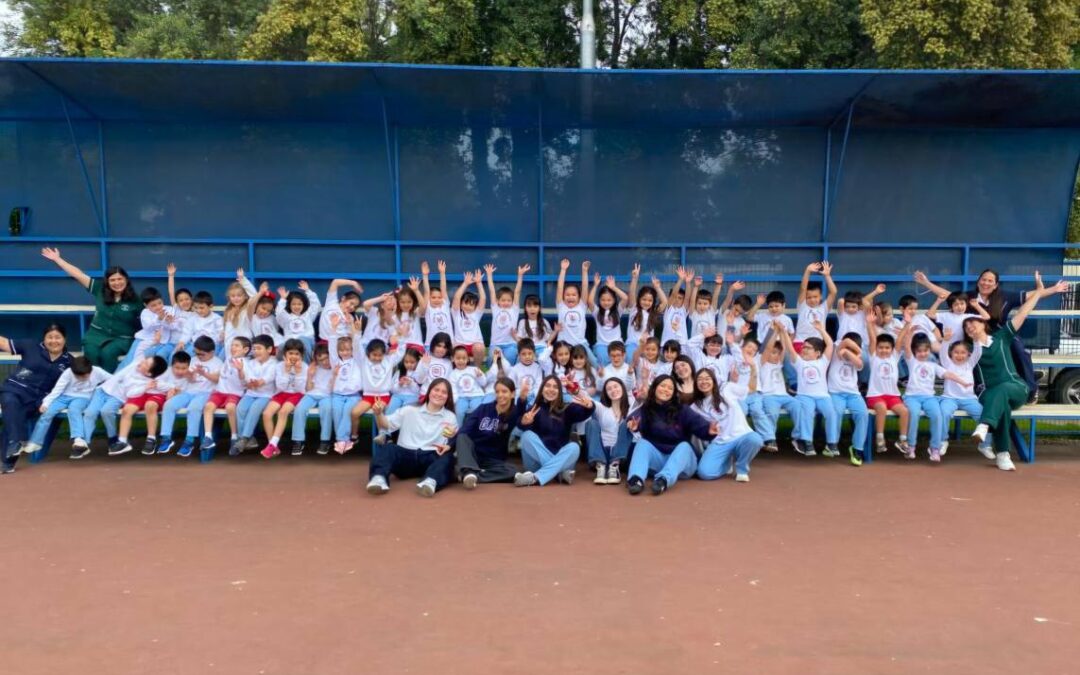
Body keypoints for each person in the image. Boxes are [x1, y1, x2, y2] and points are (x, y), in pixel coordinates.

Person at [964, 272, 1068, 471]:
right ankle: (1002, 455)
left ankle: (985, 426)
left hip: (1016, 389)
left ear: (983, 323)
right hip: (988, 394)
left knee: (1003, 390)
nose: (969, 327)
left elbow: (1023, 312)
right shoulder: (968, 351)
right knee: (1001, 405)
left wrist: (1039, 291)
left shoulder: (1002, 337)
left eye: (973, 323)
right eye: (966, 326)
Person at [917, 268, 1038, 401]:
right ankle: (976, 389)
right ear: (978, 281)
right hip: (975, 337)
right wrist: (926, 283)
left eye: (990, 281)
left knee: (1019, 349)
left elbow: (1032, 296)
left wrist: (1049, 289)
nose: (986, 283)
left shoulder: (1004, 296)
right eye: (983, 279)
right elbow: (948, 295)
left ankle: (1030, 389)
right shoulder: (969, 297)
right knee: (970, 355)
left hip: (999, 335)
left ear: (996, 285)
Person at [40, 247, 139, 371]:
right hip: (96, 335)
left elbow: (149, 317)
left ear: (126, 280)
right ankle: (91, 381)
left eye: (120, 279)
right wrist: (58, 259)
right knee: (91, 352)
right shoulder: (100, 289)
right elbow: (78, 274)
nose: (117, 283)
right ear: (107, 282)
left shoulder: (136, 300)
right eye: (112, 280)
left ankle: (108, 382)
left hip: (121, 339)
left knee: (108, 353)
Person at [366, 378, 459, 497]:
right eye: (436, 390)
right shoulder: (409, 410)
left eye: (444, 392)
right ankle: (378, 478)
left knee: (448, 458)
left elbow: (452, 440)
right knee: (388, 448)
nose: (439, 394)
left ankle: (431, 481)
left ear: (448, 397)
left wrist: (449, 444)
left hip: (430, 459)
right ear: (429, 391)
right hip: (405, 456)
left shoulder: (450, 417)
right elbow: (386, 425)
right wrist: (378, 414)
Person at [625, 375, 715, 495]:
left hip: (681, 464)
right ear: (655, 388)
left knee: (685, 446)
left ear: (673, 393)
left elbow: (699, 425)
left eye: (670, 388)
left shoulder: (682, 410)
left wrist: (709, 430)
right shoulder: (646, 408)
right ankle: (636, 480)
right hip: (658, 461)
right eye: (663, 386)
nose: (666, 390)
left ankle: (663, 481)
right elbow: (635, 418)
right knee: (642, 443)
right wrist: (634, 425)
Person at [1, 324, 73, 472]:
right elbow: (4, 343)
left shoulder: (69, 361)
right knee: (10, 402)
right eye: (50, 337)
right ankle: (12, 452)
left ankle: (12, 450)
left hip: (37, 400)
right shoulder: (31, 346)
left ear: (64, 339)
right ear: (44, 339)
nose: (54, 341)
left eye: (58, 337)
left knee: (15, 416)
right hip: (14, 389)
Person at [515, 375, 594, 487]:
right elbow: (520, 423)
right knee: (526, 435)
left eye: (555, 387)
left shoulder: (567, 408)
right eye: (547, 386)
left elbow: (586, 412)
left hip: (562, 460)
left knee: (574, 447)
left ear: (560, 391)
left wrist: (589, 406)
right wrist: (523, 420)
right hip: (539, 463)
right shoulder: (535, 408)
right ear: (542, 389)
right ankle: (558, 474)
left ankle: (535, 477)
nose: (551, 389)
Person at [84, 354, 168, 456]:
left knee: (106, 411)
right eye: (145, 360)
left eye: (145, 363)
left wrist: (146, 388)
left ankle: (114, 440)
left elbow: (130, 394)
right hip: (103, 390)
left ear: (148, 373)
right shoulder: (136, 363)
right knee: (90, 412)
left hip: (117, 397)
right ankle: (84, 443)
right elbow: (141, 350)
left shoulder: (142, 382)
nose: (142, 362)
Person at [778, 319, 839, 457]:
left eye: (808, 348)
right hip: (805, 396)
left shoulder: (823, 361)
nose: (803, 349)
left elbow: (830, 344)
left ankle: (832, 443)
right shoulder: (799, 362)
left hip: (823, 396)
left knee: (831, 413)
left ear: (818, 353)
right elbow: (790, 348)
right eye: (803, 347)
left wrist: (821, 329)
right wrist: (783, 332)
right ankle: (807, 442)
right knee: (807, 414)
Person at [692, 368, 763, 483]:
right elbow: (688, 421)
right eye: (700, 379)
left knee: (755, 439)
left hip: (741, 435)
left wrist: (753, 368)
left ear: (714, 381)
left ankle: (742, 469)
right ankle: (726, 464)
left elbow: (751, 389)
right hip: (720, 441)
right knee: (704, 473)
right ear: (695, 383)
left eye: (707, 378)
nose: (704, 382)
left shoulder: (726, 388)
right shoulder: (696, 406)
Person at [455, 377, 528, 487]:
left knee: (513, 471)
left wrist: (522, 399)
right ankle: (469, 471)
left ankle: (472, 475)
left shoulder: (513, 413)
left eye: (504, 391)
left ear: (512, 394)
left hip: (493, 459)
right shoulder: (483, 409)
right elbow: (465, 429)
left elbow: (521, 418)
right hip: (473, 454)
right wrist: (450, 445)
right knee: (462, 436)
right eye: (497, 392)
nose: (500, 395)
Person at [114, 351, 191, 456]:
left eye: (146, 363)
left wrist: (170, 388)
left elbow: (162, 385)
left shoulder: (164, 371)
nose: (179, 371)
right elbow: (155, 383)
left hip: (158, 394)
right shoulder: (159, 370)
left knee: (150, 405)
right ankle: (122, 441)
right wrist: (167, 386)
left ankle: (151, 438)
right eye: (177, 368)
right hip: (142, 392)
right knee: (127, 410)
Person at [159, 335, 221, 458]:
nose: (198, 356)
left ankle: (189, 441)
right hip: (188, 392)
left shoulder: (218, 362)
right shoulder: (192, 360)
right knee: (169, 405)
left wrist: (204, 373)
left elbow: (217, 379)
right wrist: (189, 375)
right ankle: (166, 438)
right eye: (196, 353)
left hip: (206, 393)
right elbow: (190, 380)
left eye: (202, 354)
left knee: (194, 408)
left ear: (212, 352)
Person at [746, 326, 800, 452]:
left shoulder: (779, 363)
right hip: (769, 396)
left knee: (798, 406)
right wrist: (774, 331)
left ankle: (798, 437)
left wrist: (783, 331)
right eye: (773, 353)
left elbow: (784, 348)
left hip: (784, 396)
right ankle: (769, 439)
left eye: (778, 353)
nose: (776, 356)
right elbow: (768, 347)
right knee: (772, 413)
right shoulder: (762, 363)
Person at [866, 311, 912, 455]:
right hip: (875, 395)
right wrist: (870, 324)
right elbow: (873, 339)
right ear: (876, 348)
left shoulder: (894, 357)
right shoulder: (874, 357)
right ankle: (880, 438)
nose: (884, 350)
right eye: (881, 348)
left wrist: (907, 323)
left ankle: (902, 440)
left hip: (893, 395)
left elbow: (900, 340)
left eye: (887, 348)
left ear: (892, 349)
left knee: (904, 411)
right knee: (881, 408)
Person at [259, 339, 308, 458]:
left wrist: (298, 372)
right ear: (285, 353)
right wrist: (286, 371)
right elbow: (281, 387)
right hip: (281, 393)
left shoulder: (304, 367)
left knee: (283, 412)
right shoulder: (279, 366)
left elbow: (300, 389)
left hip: (297, 394)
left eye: (297, 354)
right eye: (291, 353)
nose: (293, 356)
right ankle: (272, 445)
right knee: (266, 414)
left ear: (301, 355)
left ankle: (272, 444)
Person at [828, 333, 870, 466]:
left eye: (855, 349)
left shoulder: (857, 358)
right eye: (848, 348)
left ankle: (857, 448)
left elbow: (859, 364)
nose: (849, 350)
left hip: (853, 394)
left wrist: (849, 352)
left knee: (863, 414)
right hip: (835, 393)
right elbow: (845, 341)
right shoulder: (836, 351)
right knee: (836, 412)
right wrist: (847, 349)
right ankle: (832, 444)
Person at [585, 377, 633, 485]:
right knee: (591, 423)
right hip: (601, 452)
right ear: (606, 393)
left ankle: (614, 466)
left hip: (621, 456)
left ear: (622, 388)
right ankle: (600, 466)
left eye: (616, 386)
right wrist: (574, 389)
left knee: (627, 424)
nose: (613, 390)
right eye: (609, 389)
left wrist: (644, 379)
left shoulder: (631, 408)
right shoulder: (601, 408)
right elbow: (585, 397)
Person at [291, 343, 334, 456]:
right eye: (320, 360)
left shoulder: (335, 369)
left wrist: (334, 376)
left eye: (326, 358)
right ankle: (298, 440)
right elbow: (308, 389)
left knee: (327, 409)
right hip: (311, 394)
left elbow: (332, 389)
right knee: (299, 409)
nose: (324, 362)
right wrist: (310, 375)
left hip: (327, 396)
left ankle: (325, 441)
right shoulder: (314, 368)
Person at [555, 259, 596, 363]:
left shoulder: (581, 306)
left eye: (574, 295)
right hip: (564, 345)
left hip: (580, 343)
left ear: (579, 297)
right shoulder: (561, 306)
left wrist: (584, 271)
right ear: (563, 297)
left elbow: (585, 287)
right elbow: (559, 287)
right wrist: (563, 270)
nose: (570, 297)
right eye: (567, 295)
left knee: (595, 363)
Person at [486, 264, 527, 365]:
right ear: (498, 301)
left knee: (509, 361)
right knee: (492, 361)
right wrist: (489, 275)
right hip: (496, 344)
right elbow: (491, 291)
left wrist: (520, 275)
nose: (506, 302)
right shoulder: (495, 308)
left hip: (510, 344)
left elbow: (517, 292)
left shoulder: (514, 309)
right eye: (503, 300)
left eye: (509, 300)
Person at [793, 261, 836, 353]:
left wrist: (827, 276)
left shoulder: (824, 308)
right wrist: (807, 271)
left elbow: (833, 292)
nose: (812, 300)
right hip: (800, 342)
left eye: (815, 297)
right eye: (809, 297)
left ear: (821, 296)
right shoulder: (802, 306)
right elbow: (803, 288)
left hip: (817, 344)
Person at [624, 264, 660, 362]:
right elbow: (632, 293)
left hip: (648, 347)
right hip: (632, 344)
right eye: (644, 299)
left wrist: (657, 288)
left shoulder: (653, 312)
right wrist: (634, 278)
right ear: (639, 299)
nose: (646, 302)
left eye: (650, 300)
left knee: (648, 365)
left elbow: (665, 302)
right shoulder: (635, 309)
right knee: (630, 359)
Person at [275, 282, 321, 359]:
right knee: (281, 346)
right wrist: (283, 299)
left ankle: (306, 364)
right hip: (291, 343)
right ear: (289, 305)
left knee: (302, 340)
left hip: (307, 342)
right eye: (293, 304)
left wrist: (308, 291)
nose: (296, 306)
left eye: (299, 304)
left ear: (303, 305)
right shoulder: (286, 317)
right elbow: (279, 313)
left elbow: (315, 305)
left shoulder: (308, 315)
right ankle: (284, 365)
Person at [588, 274, 627, 366]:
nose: (606, 302)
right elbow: (590, 301)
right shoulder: (597, 312)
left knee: (619, 360)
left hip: (617, 343)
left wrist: (613, 288)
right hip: (602, 344)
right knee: (602, 358)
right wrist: (595, 285)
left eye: (609, 300)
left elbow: (625, 298)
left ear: (614, 300)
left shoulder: (618, 311)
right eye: (603, 300)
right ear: (599, 300)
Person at [452, 269, 487, 365]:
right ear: (461, 303)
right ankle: (459, 370)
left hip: (475, 344)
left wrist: (479, 283)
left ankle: (477, 369)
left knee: (479, 348)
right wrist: (465, 283)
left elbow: (483, 298)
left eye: (471, 305)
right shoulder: (457, 313)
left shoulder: (476, 313)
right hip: (460, 343)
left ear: (475, 307)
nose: (468, 306)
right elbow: (456, 297)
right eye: (465, 303)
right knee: (455, 348)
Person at [420, 260, 453, 347]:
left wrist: (442, 273)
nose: (437, 300)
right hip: (431, 344)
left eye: (439, 297)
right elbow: (426, 291)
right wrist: (425, 275)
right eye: (433, 297)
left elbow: (443, 288)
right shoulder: (428, 307)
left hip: (448, 343)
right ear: (429, 299)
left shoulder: (445, 304)